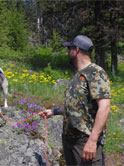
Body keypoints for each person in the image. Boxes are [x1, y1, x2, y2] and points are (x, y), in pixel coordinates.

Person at [39, 35, 111, 166]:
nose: (68, 52)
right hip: (70, 141)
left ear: (76, 50)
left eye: (69, 49)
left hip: (85, 142)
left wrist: (92, 141)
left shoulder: (96, 73)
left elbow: (104, 107)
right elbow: (73, 106)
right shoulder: (76, 76)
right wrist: (53, 111)